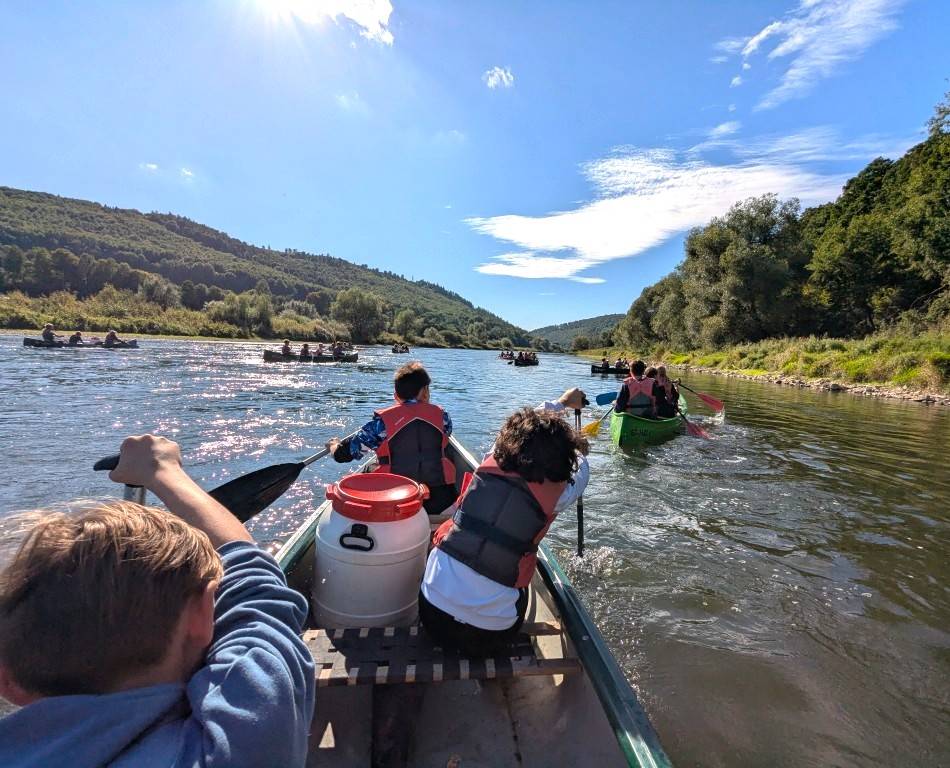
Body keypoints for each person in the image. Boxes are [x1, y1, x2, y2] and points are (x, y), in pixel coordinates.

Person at [0, 435, 315, 768]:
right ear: (200, 619)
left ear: (7, 682)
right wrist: (162, 470)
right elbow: (253, 583)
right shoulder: (237, 742)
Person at [420, 390, 590, 656]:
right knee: (520, 579)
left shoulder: (491, 459)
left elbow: (523, 428)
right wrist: (579, 451)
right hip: (491, 635)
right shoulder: (561, 493)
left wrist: (561, 403)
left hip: (431, 616)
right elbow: (582, 468)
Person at [326, 361, 457, 515]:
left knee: (370, 468)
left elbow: (345, 455)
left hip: (395, 502)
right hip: (441, 501)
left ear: (396, 396)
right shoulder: (443, 417)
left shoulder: (381, 424)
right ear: (425, 391)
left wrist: (334, 446)